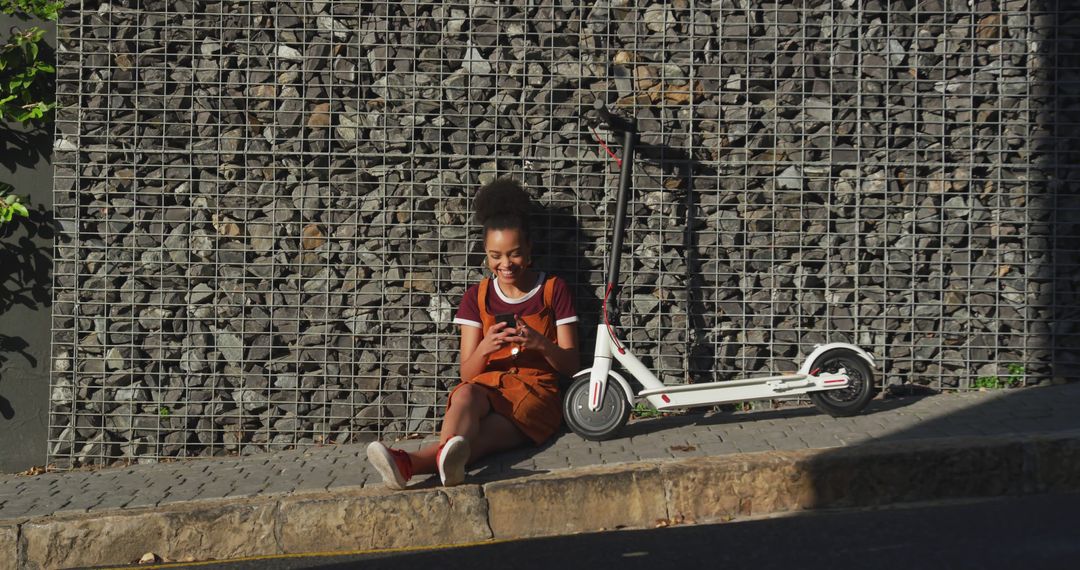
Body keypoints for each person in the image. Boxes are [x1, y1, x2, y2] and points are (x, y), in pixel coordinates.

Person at [366, 179, 581, 488]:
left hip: (536, 395)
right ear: (485, 252)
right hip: (487, 386)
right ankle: (435, 467)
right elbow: (467, 373)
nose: (505, 264)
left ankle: (408, 463)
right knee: (464, 395)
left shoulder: (552, 290)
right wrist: (485, 347)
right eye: (496, 256)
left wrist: (539, 343)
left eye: (514, 254)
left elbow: (571, 365)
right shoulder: (476, 296)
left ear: (530, 248)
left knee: (474, 441)